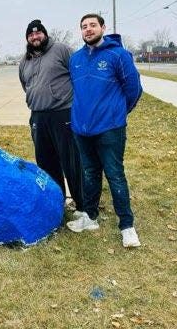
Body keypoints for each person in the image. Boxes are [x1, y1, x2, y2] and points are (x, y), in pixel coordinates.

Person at [66, 14, 143, 248]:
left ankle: (127, 226)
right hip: (82, 129)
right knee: (89, 174)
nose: (88, 30)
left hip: (110, 128)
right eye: (84, 27)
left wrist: (117, 112)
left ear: (103, 28)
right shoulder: (76, 59)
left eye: (92, 25)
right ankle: (90, 217)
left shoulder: (118, 55)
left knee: (114, 174)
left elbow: (134, 90)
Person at [18, 19, 84, 216]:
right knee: (46, 162)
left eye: (38, 33)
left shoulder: (62, 50)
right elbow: (25, 84)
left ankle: (83, 205)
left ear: (44, 34)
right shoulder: (25, 61)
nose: (35, 37)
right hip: (38, 116)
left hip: (62, 113)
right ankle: (57, 201)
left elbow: (77, 76)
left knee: (70, 160)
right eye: (31, 35)